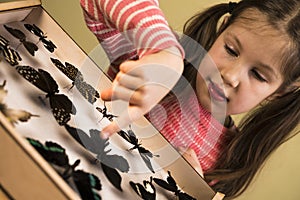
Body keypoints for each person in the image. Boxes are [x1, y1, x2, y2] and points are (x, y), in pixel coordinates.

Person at [80, 0, 300, 198]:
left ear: (280, 92)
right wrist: (165, 52)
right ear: (222, 29)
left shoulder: (228, 163)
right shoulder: (151, 62)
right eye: (231, 50)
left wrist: (189, 192)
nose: (230, 76)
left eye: (258, 75)